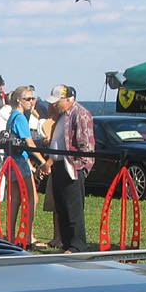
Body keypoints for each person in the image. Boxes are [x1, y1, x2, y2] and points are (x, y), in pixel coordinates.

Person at [38, 84, 94, 253]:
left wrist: (80, 168)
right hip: (59, 165)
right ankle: (67, 242)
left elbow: (86, 146)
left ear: (68, 100)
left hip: (72, 167)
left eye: (57, 102)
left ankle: (77, 245)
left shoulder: (80, 114)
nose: (54, 105)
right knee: (62, 206)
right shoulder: (62, 115)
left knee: (73, 209)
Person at [2, 86, 47, 245]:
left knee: (14, 199)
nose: (31, 102)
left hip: (11, 161)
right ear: (19, 100)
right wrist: (42, 161)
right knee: (31, 199)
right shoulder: (20, 117)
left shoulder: (12, 116)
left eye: (32, 98)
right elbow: (28, 142)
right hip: (20, 162)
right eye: (28, 99)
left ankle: (11, 235)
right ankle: (28, 235)